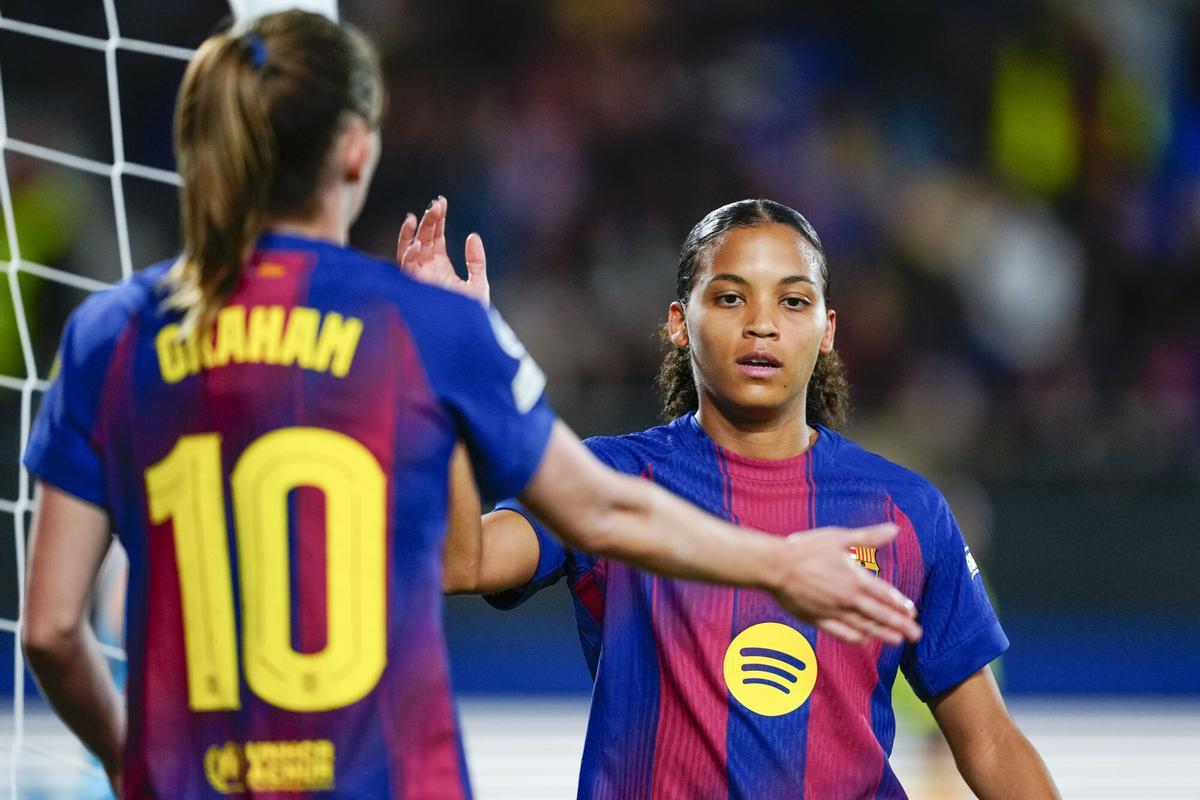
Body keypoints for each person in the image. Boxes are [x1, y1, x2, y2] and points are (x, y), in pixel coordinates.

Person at [18, 13, 920, 800]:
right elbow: (600, 508)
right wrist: (773, 565)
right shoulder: (427, 329)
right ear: (358, 151)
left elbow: (55, 629)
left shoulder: (110, 333)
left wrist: (135, 767)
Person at [407, 197, 1060, 799]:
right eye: (728, 299)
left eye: (793, 302)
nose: (762, 326)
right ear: (678, 324)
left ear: (828, 329)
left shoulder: (905, 511)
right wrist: (454, 366)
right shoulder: (607, 480)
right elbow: (463, 563)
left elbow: (991, 741)